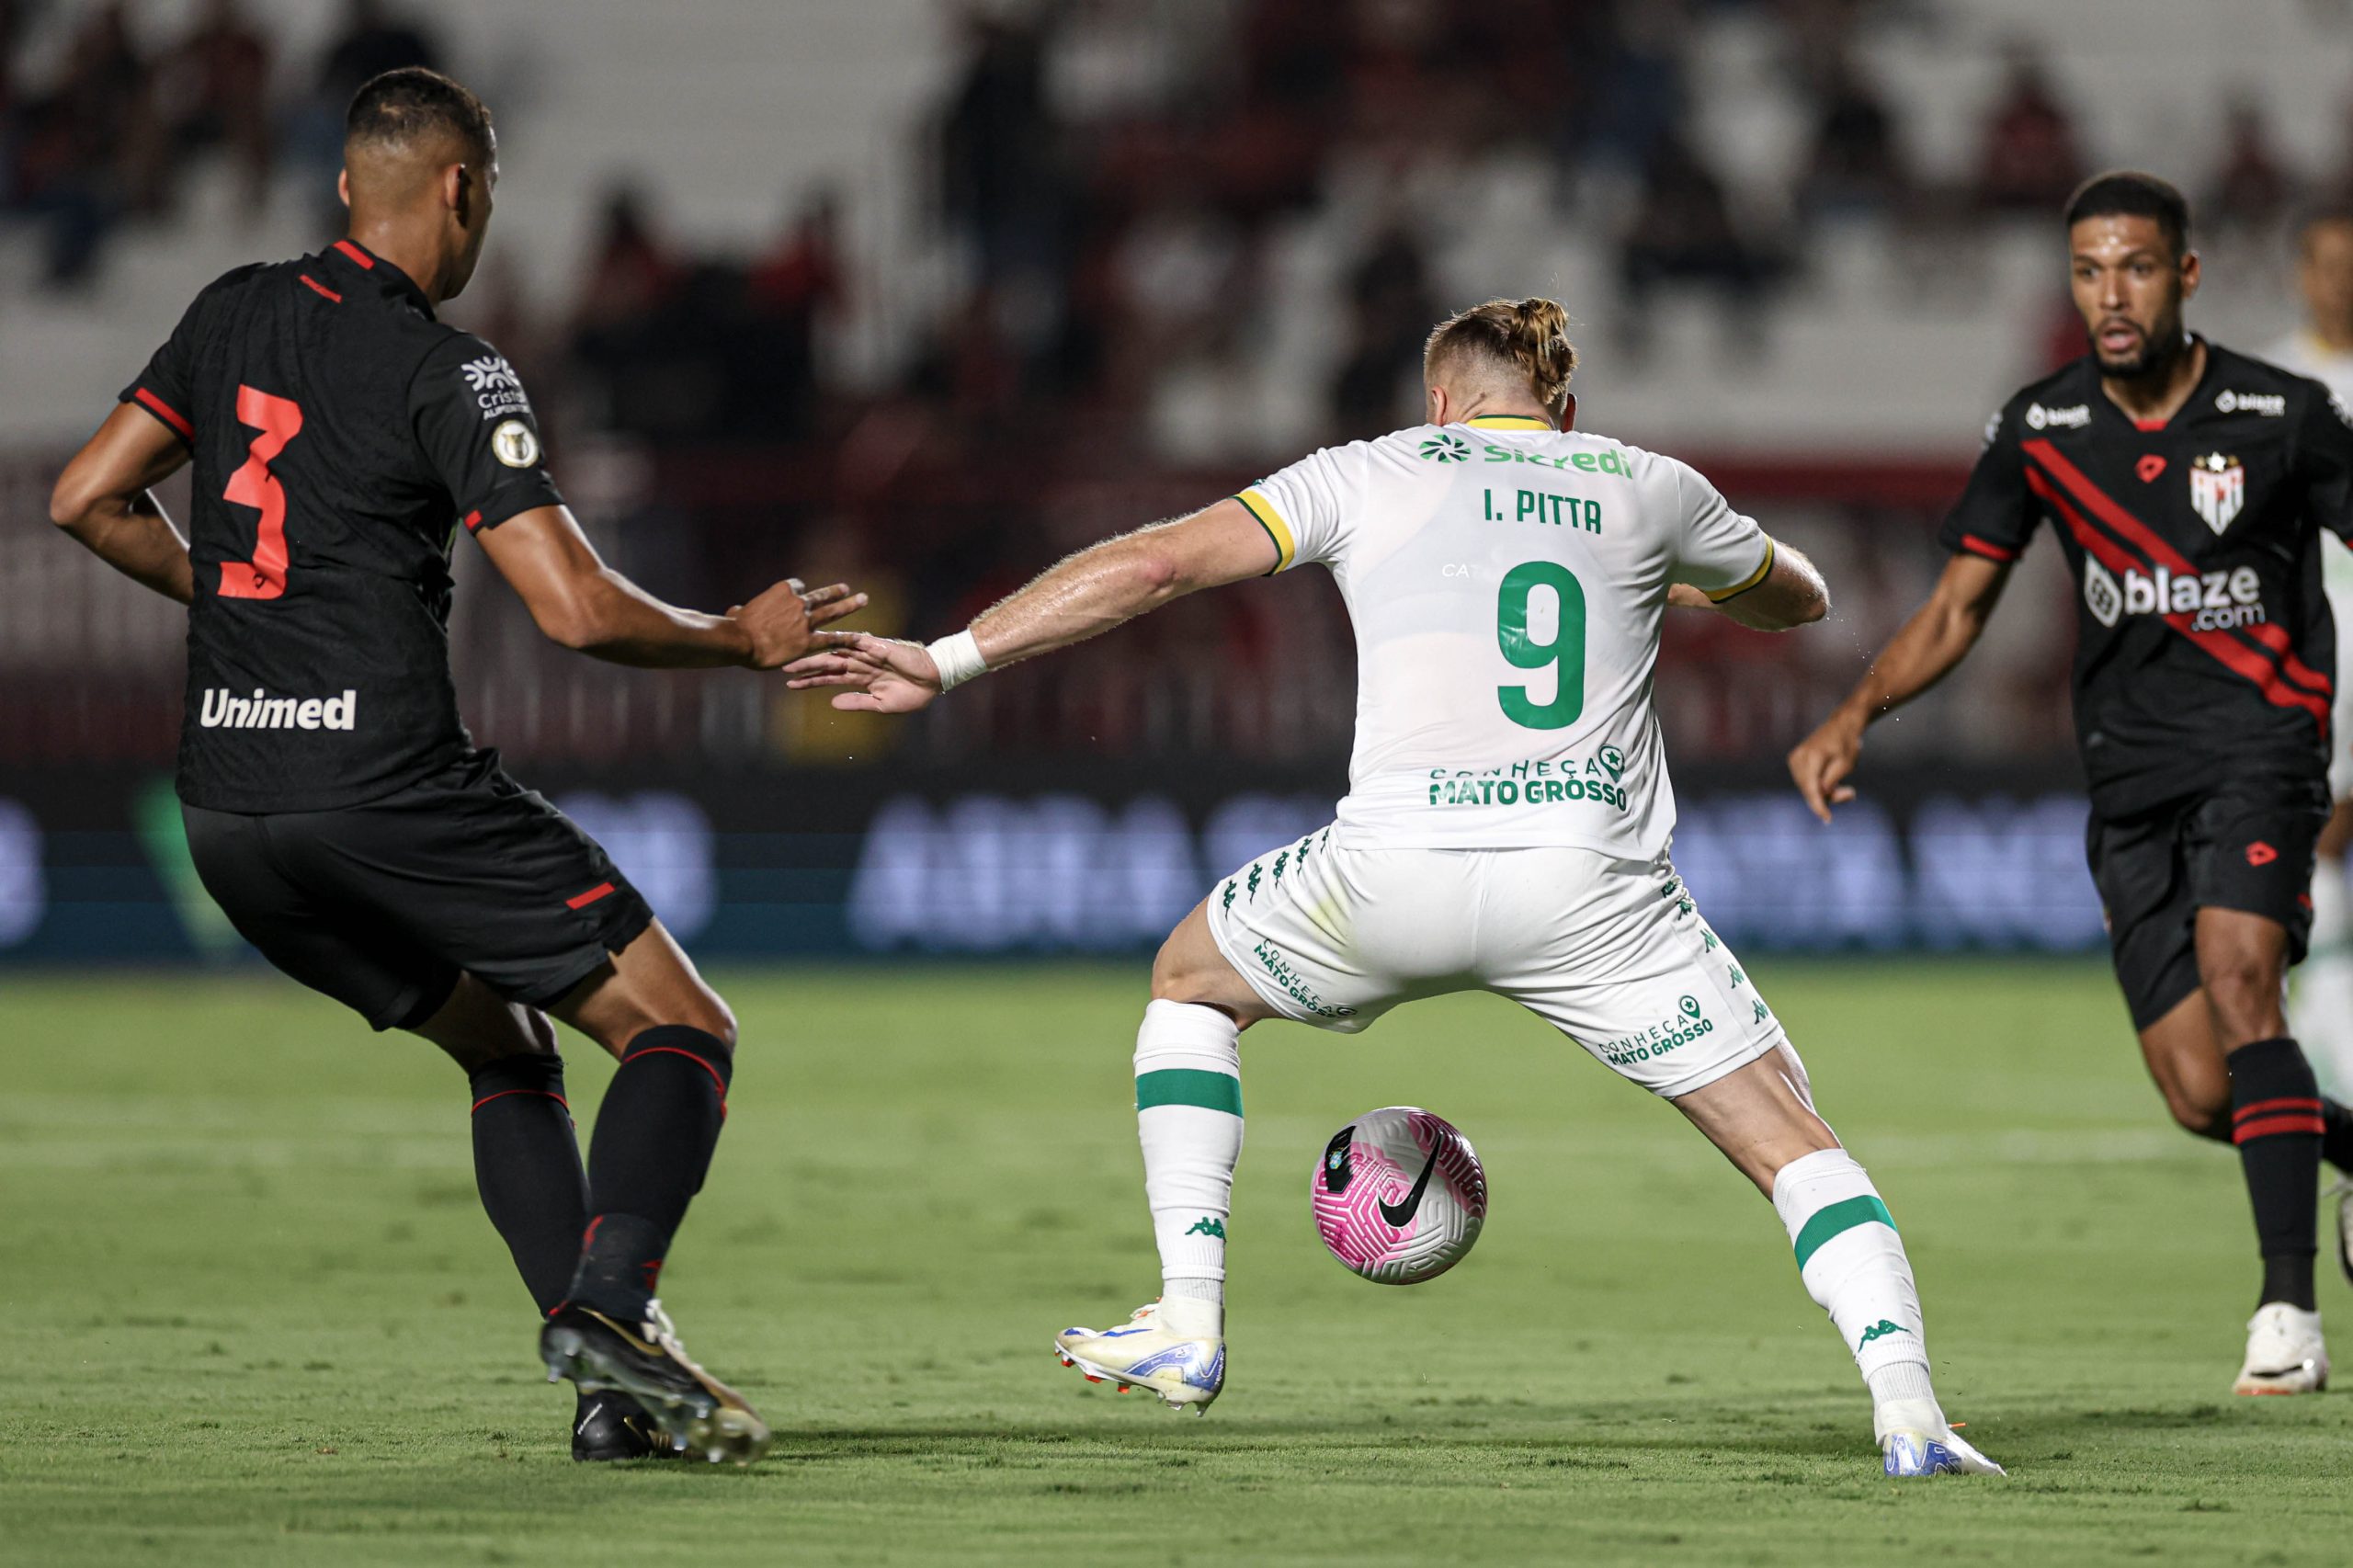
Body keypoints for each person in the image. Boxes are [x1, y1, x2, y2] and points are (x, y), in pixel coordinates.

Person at [788, 298, 2005, 1479]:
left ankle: (1188, 1320)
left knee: (1188, 984)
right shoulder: (1648, 484)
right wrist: (1691, 575)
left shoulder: (1366, 471)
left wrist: (947, 659)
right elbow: (1802, 594)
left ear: (1439, 399)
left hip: (1390, 871)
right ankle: (1910, 1413)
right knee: (1788, 1138)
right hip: (1590, 892)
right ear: (1562, 404)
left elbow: (1156, 563)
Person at [46, 67, 866, 1464]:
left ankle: (612, 1398)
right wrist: (739, 638)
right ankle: (615, 1309)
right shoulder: (450, 366)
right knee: (684, 1027)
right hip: (387, 788)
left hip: (229, 814)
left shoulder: (229, 308)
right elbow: (576, 607)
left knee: (503, 1043)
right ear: (462, 190)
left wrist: (240, 601)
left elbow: (85, 497)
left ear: (340, 186)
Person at [1789, 172, 2353, 1397]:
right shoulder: (2043, 429)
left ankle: (2288, 1314)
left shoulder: (2284, 414)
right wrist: (1854, 713)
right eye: (2091, 270)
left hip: (2263, 753)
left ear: (2186, 275)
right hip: (2130, 786)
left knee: (2245, 975)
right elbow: (1957, 608)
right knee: (2203, 1089)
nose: (2113, 292)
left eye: (2137, 267)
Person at [2268, 204, 2353, 1114]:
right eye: (2327, 262)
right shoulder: (2271, 383)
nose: (2342, 280)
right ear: (2301, 271)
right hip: (2316, 647)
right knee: (2320, 830)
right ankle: (2327, 1054)